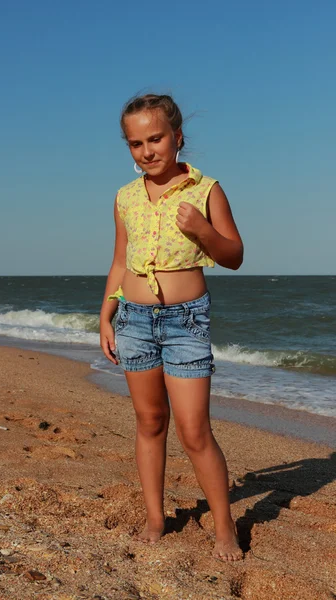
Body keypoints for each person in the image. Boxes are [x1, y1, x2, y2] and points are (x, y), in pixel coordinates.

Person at [99, 93, 244, 562]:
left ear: (178, 137)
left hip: (186, 323)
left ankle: (225, 527)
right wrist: (106, 312)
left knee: (194, 429)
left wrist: (202, 230)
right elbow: (121, 260)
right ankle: (156, 517)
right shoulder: (124, 197)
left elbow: (234, 256)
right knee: (149, 422)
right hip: (135, 320)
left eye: (155, 138)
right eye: (135, 142)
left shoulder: (206, 190)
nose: (146, 150)